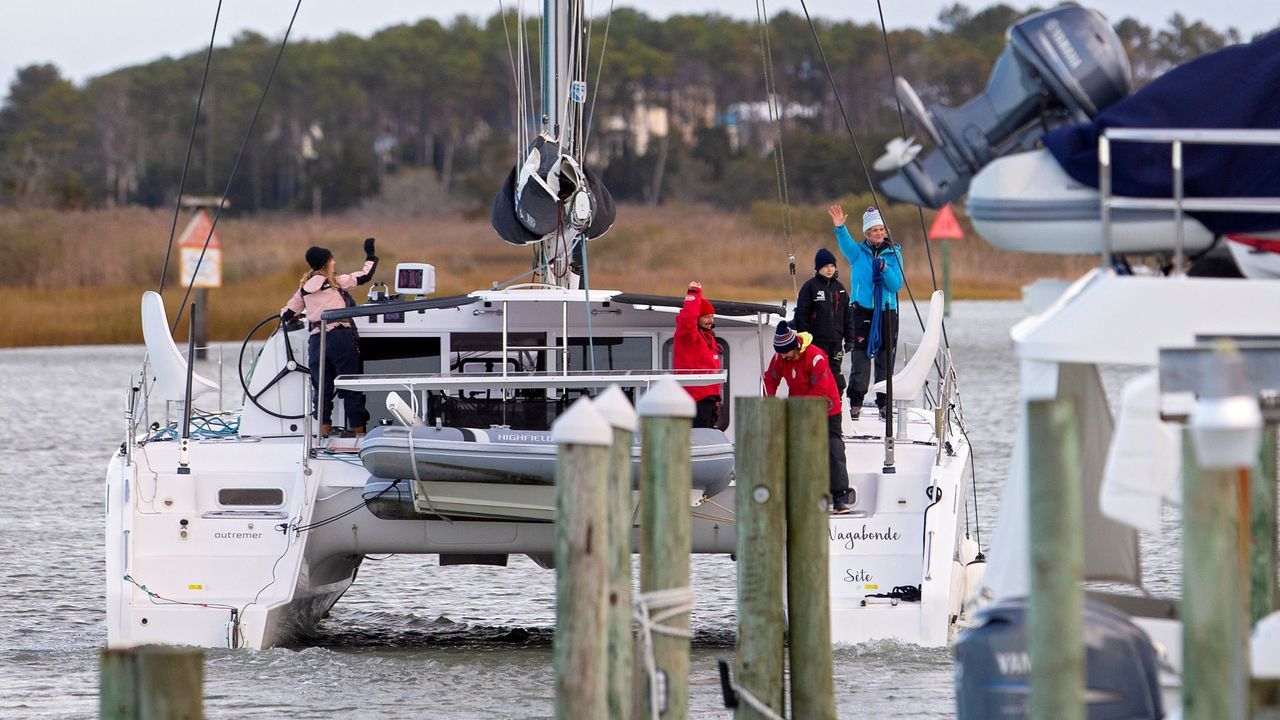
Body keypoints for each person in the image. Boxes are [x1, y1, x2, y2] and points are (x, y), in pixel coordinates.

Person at [281, 238, 379, 435]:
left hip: (317, 342)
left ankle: (322, 437)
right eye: (332, 260)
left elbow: (286, 314)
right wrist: (370, 255)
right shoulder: (336, 282)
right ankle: (360, 435)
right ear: (326, 262)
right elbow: (365, 275)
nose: (334, 262)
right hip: (340, 338)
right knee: (351, 388)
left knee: (322, 392)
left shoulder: (304, 289)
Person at [764, 321, 851, 514]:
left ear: (795, 346)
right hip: (799, 407)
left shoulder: (816, 356)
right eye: (781, 353)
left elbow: (820, 389)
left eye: (786, 352)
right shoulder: (780, 357)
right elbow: (770, 379)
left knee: (833, 448)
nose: (784, 357)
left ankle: (839, 498)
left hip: (827, 407)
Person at [829, 204, 903, 421]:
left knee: (884, 360)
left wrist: (885, 269)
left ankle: (883, 403)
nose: (879, 233)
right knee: (860, 361)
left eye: (881, 229)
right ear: (867, 234)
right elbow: (845, 243)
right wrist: (840, 227)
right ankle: (856, 403)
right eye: (874, 230)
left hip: (886, 311)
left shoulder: (894, 254)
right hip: (861, 312)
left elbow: (896, 286)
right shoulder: (857, 253)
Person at [791, 247, 855, 394]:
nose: (830, 269)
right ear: (818, 268)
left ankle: (835, 406)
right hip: (816, 342)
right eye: (826, 266)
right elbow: (802, 314)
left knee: (835, 376)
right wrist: (804, 338)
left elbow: (848, 316)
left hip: (836, 342)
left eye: (832, 266)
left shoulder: (840, 289)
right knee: (817, 374)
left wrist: (850, 339)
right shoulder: (810, 287)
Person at [674, 281, 723, 428]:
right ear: (697, 317)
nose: (711, 321)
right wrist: (694, 294)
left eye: (712, 316)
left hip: (710, 400)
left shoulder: (708, 338)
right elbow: (688, 319)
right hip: (695, 400)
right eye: (707, 316)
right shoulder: (687, 335)